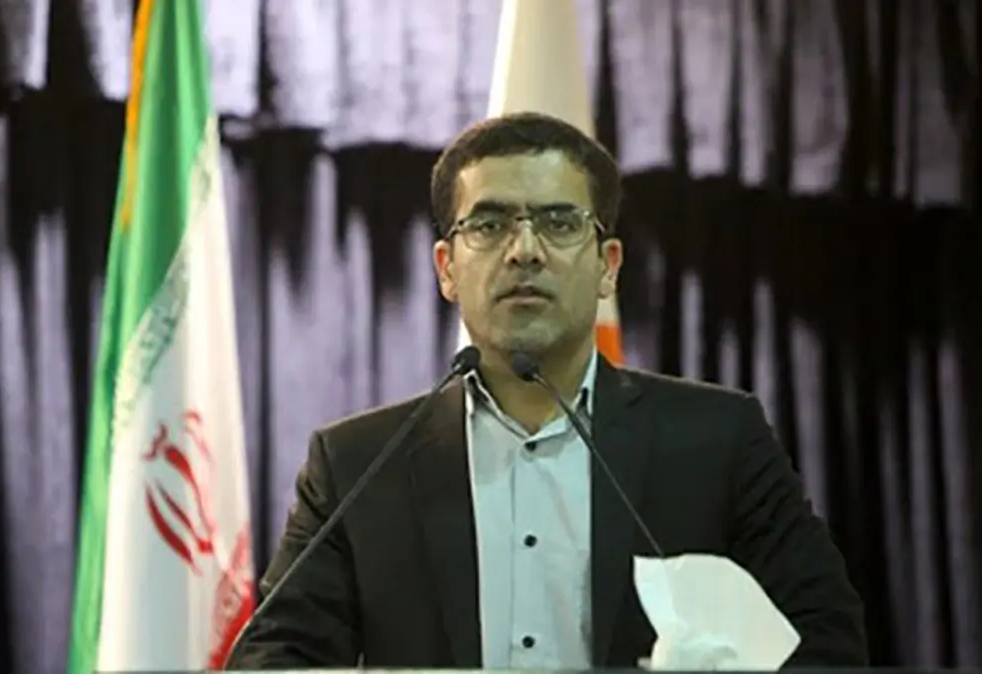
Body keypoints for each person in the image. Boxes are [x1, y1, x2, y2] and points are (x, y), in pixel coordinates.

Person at [225, 112, 867, 669]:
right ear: (447, 269)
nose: (524, 250)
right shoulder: (356, 464)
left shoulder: (717, 441)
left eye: (559, 223)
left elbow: (826, 641)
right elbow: (274, 658)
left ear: (608, 267)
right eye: (489, 224)